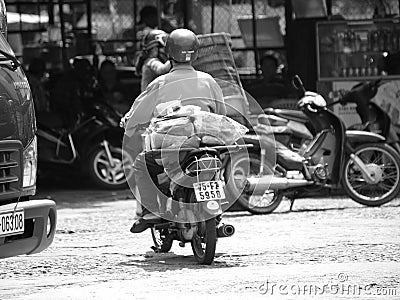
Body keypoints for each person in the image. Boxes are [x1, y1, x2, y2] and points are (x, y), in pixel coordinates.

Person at [121, 28, 226, 233]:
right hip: (205, 143)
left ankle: (152, 211)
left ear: (169, 53)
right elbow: (220, 113)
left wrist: (128, 122)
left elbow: (138, 114)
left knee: (142, 164)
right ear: (195, 53)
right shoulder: (208, 81)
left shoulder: (160, 82)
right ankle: (216, 209)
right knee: (217, 168)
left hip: (171, 147)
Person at [52, 58, 96, 128]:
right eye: (84, 68)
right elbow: (74, 102)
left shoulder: (81, 80)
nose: (86, 72)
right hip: (66, 115)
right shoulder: (70, 81)